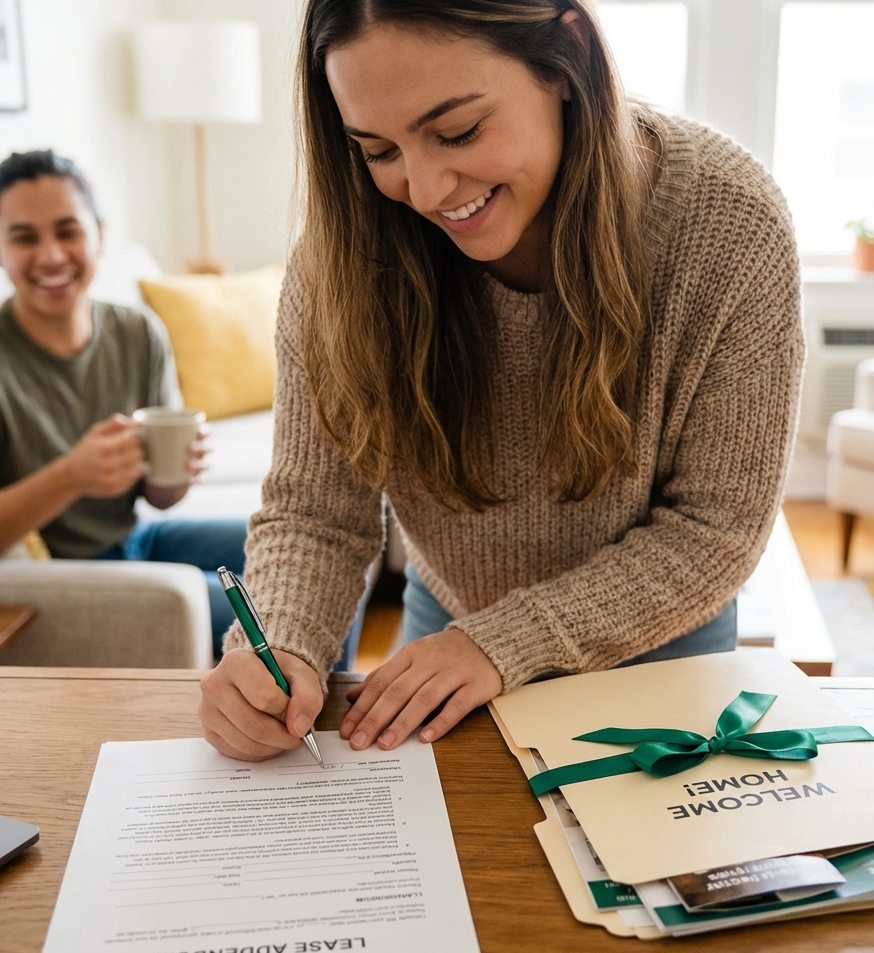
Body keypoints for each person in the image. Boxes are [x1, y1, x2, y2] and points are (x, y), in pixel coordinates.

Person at [198, 0, 804, 762]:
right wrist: (279, 644)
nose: (423, 191)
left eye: (457, 132)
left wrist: (504, 642)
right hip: (449, 635)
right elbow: (316, 513)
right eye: (379, 149)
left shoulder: (732, 220)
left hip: (658, 652)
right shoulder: (341, 259)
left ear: (566, 59)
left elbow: (717, 529)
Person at [0, 149, 247, 659]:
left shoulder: (137, 333)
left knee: (311, 562)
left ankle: (327, 724)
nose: (50, 256)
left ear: (99, 235)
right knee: (266, 607)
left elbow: (159, 498)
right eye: (25, 238)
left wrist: (175, 473)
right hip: (60, 574)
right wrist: (72, 475)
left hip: (137, 538)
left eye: (67, 231)